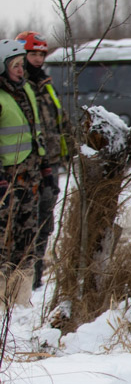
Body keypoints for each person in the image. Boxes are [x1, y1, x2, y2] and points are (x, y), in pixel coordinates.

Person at [15, 31, 66, 289]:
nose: (37, 59)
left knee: (45, 220)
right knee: (25, 221)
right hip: (26, 164)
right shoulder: (15, 85)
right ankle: (20, 277)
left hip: (52, 162)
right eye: (32, 53)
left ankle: (35, 277)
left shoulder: (46, 84)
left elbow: (59, 119)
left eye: (41, 54)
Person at [0, 39, 48, 304]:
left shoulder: (27, 91)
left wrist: (46, 168)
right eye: (15, 66)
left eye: (21, 65)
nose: (21, 70)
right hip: (6, 181)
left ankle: (19, 301)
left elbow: (37, 132)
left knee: (26, 239)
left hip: (30, 178)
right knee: (2, 241)